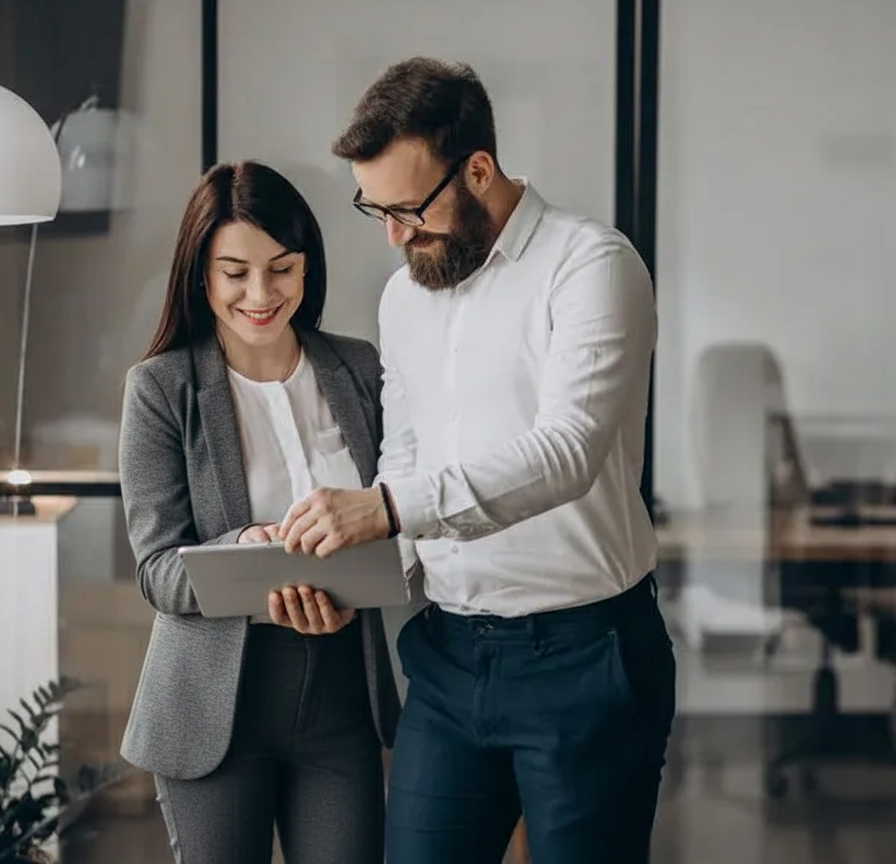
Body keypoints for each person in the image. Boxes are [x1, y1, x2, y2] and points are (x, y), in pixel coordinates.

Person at [278, 58, 677, 864]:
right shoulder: (405, 296)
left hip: (585, 658)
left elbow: (567, 452)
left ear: (479, 169)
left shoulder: (591, 267)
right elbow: (406, 454)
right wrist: (349, 563)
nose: (393, 235)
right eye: (374, 210)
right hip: (450, 658)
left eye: (407, 208)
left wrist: (387, 508)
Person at [117, 160, 400, 864]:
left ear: (307, 266)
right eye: (234, 272)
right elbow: (157, 570)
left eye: (281, 268)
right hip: (214, 710)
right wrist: (246, 552)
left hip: (341, 701)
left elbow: (401, 510)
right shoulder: (161, 387)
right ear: (201, 276)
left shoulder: (361, 369)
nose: (260, 293)